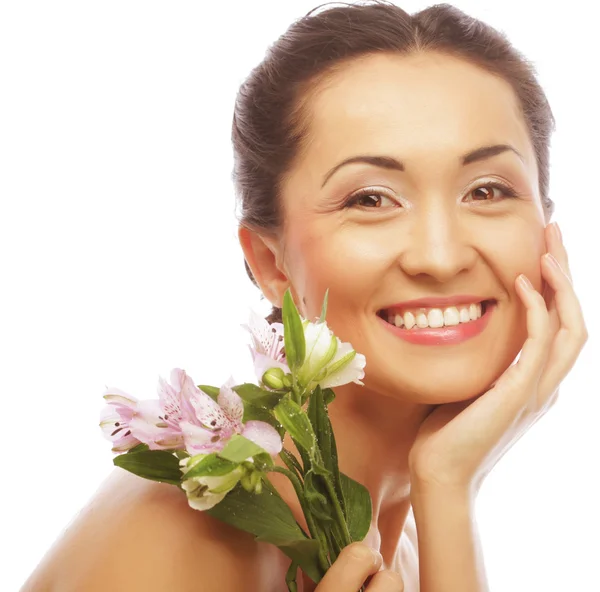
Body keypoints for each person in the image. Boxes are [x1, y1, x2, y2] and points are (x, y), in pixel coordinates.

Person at [21, 2, 588, 591]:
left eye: (487, 190)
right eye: (369, 199)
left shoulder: (411, 532)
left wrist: (449, 486)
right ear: (271, 264)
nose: (441, 257)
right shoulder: (177, 542)